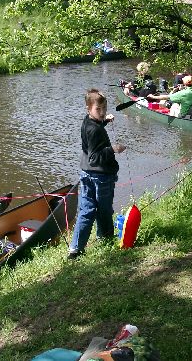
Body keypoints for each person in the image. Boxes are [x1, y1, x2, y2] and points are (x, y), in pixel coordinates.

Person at [68, 89, 126, 260]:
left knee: (86, 210)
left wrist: (104, 121)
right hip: (100, 177)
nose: (101, 113)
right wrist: (113, 149)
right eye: (98, 110)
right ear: (88, 109)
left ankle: (75, 249)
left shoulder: (88, 122)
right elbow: (95, 157)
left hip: (85, 174)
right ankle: (106, 237)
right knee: (104, 209)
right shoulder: (95, 130)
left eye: (104, 109)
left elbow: (93, 136)